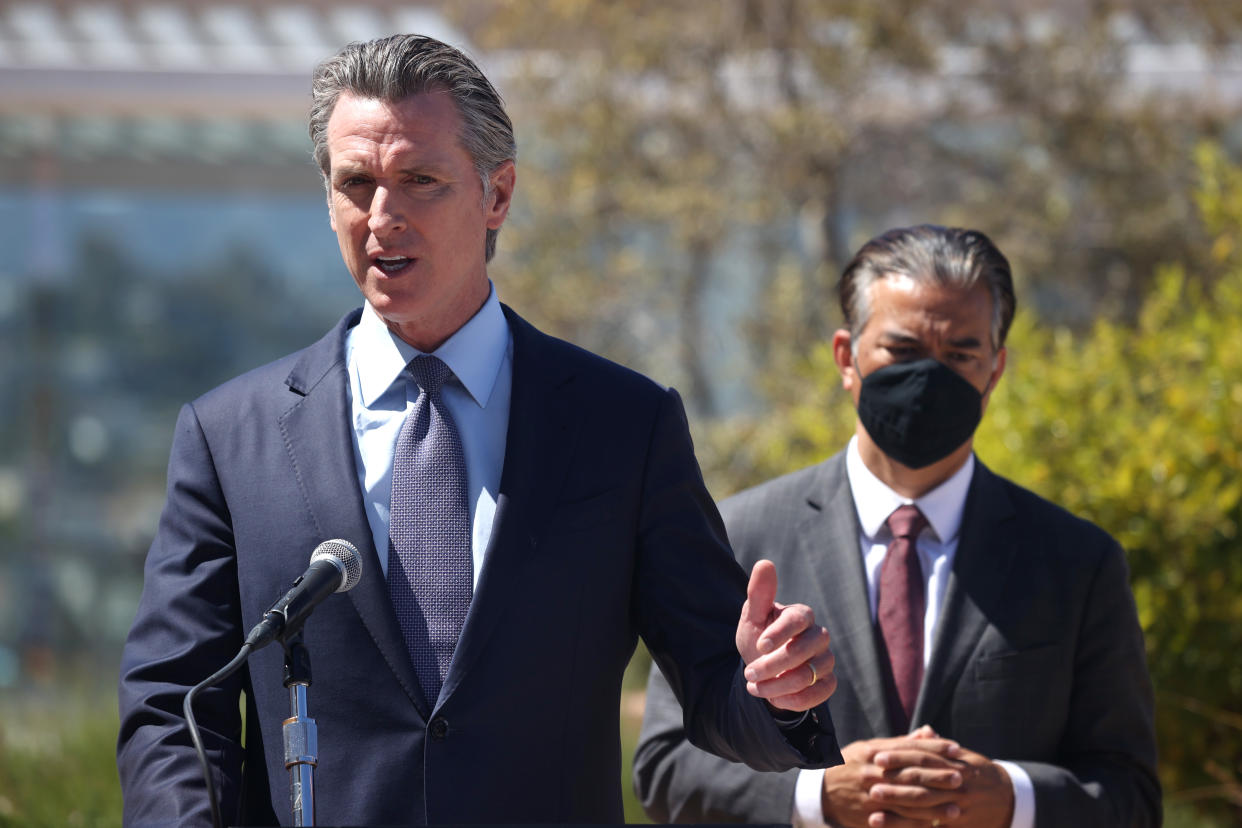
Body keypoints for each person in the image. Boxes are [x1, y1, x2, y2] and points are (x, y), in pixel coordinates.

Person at [117, 34, 841, 827]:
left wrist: (773, 690)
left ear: (497, 195)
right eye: (356, 184)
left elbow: (714, 682)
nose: (382, 216)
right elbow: (173, 703)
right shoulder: (229, 437)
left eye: (419, 181)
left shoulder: (623, 425)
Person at [635, 225, 1160, 828]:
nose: (928, 380)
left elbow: (1131, 796)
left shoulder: (1078, 562)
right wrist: (819, 796)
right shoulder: (738, 535)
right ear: (846, 357)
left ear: (995, 370)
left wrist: (1011, 797)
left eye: (961, 354)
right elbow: (665, 767)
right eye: (903, 352)